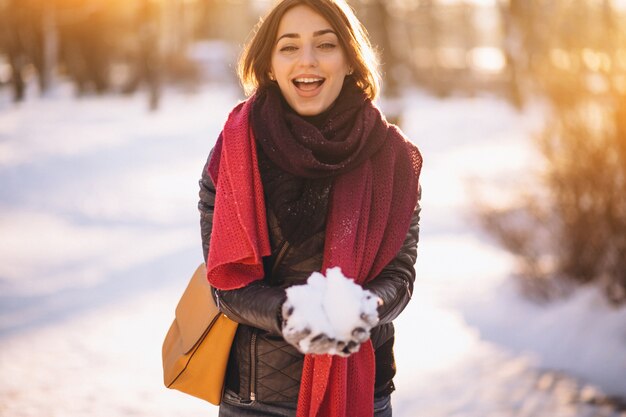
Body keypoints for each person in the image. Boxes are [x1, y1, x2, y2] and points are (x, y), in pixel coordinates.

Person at [198, 1, 422, 416]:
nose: (307, 60)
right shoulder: (233, 152)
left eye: (325, 44)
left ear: (351, 60)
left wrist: (359, 309)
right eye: (289, 47)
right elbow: (225, 284)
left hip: (362, 393)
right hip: (255, 399)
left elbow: (400, 276)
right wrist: (289, 314)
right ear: (268, 65)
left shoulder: (393, 158)